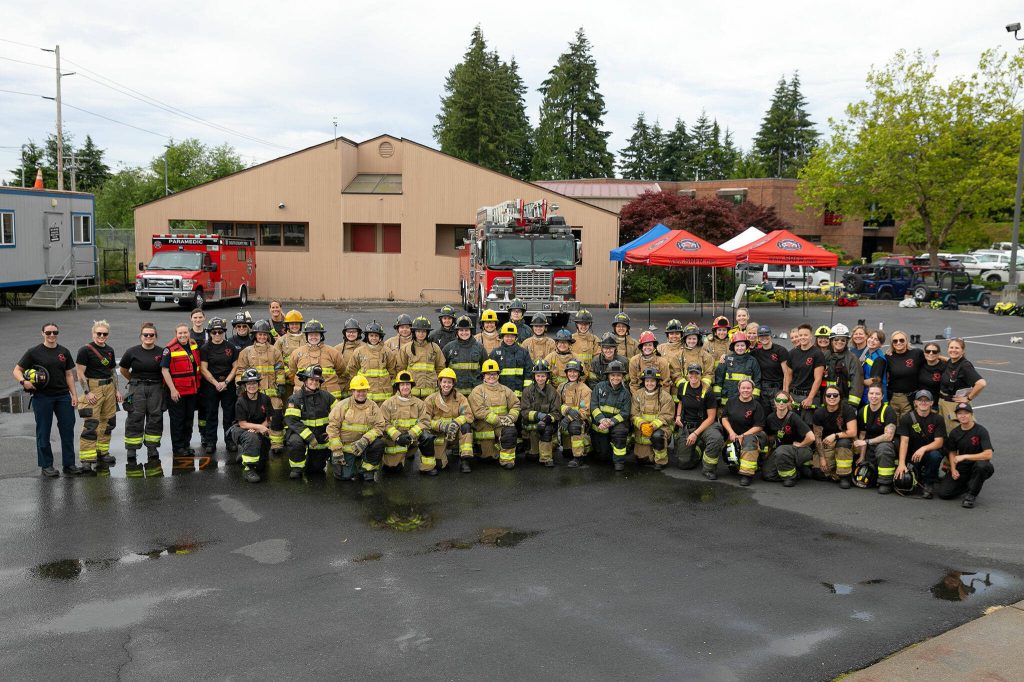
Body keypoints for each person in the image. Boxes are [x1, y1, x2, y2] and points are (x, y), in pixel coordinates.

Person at [13, 322, 82, 477]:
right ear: (42, 333)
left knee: (67, 430)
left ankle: (69, 464)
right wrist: (24, 382)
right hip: (42, 397)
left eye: (55, 332)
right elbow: (17, 370)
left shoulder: (64, 351)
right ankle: (46, 466)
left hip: (63, 396)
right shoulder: (33, 352)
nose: (52, 335)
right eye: (48, 332)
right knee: (43, 431)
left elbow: (69, 374)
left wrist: (74, 395)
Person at [75, 320, 121, 474]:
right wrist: (87, 392)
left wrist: (117, 390)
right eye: (98, 333)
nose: (101, 336)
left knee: (108, 422)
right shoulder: (85, 350)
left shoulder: (109, 350)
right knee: (91, 424)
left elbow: (112, 371)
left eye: (104, 334)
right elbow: (80, 373)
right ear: (93, 333)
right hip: (93, 388)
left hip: (109, 388)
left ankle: (102, 452)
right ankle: (87, 459)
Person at [234, 319, 286, 455]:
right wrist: (239, 385)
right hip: (253, 393)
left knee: (275, 416)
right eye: (259, 334)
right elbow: (240, 370)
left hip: (272, 392)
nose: (262, 337)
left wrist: (280, 384)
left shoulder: (275, 351)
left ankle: (276, 443)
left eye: (264, 334)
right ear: (255, 335)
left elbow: (280, 369)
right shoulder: (246, 352)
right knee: (254, 418)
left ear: (268, 335)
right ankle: (252, 442)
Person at [119, 322, 165, 473]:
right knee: (134, 417)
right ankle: (132, 450)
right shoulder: (132, 352)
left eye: (151, 335)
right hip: (137, 387)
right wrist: (133, 380)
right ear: (141, 337)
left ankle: (152, 449)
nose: (148, 337)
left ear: (155, 337)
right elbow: (124, 369)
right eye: (146, 335)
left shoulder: (162, 352)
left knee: (155, 417)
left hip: (156, 387)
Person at [326, 374, 386, 482]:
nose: (361, 394)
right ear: (352, 391)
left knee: (379, 444)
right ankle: (352, 464)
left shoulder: (373, 406)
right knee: (344, 477)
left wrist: (365, 440)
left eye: (364, 391)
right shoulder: (343, 405)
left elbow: (380, 425)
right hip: (346, 448)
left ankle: (367, 469)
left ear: (367, 391)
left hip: (364, 445)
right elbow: (332, 427)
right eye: (358, 391)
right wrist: (337, 450)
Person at [936, 402, 995, 508]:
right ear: (956, 416)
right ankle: (970, 484)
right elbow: (952, 452)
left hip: (978, 465)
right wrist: (953, 470)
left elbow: (988, 454)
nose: (963, 416)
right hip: (963, 467)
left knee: (982, 466)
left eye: (966, 413)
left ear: (971, 414)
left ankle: (971, 495)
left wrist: (965, 456)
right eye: (960, 413)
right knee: (944, 493)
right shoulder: (955, 433)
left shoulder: (981, 431)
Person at [283, 365, 336, 479]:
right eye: (311, 379)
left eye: (317, 380)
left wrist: (330, 431)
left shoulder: (327, 397)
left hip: (320, 437)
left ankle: (312, 459)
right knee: (295, 442)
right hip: (301, 435)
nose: (314, 382)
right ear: (305, 380)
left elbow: (338, 415)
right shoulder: (295, 399)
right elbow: (292, 421)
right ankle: (296, 468)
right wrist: (310, 437)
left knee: (316, 469)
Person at [468, 359, 521, 469]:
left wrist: (511, 417)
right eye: (488, 374)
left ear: (498, 375)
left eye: (494, 374)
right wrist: (499, 420)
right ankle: (490, 450)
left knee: (510, 432)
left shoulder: (506, 390)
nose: (491, 376)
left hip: (502, 427)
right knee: (488, 458)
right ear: (483, 375)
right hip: (484, 428)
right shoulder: (477, 391)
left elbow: (516, 405)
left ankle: (507, 460)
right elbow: (478, 411)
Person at [198, 317, 239, 457]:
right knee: (211, 414)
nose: (217, 335)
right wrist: (216, 383)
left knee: (229, 415)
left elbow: (235, 367)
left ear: (223, 332)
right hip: (211, 386)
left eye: (219, 332)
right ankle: (211, 442)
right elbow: (203, 369)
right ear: (209, 333)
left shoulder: (231, 347)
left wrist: (226, 382)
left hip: (228, 385)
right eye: (214, 332)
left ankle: (230, 441)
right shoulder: (205, 348)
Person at [161, 323, 202, 462]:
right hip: (177, 391)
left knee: (188, 419)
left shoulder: (193, 345)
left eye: (185, 333)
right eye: (180, 333)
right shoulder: (169, 349)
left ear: (189, 333)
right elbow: (165, 370)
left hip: (191, 389)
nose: (183, 335)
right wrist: (172, 389)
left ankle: (186, 444)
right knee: (177, 421)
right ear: (176, 334)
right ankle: (178, 448)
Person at [895, 389, 946, 499]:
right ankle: (919, 475)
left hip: (928, 453)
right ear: (915, 402)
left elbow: (939, 442)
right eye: (920, 400)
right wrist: (901, 464)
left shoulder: (938, 419)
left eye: (926, 400)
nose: (923, 402)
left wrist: (923, 449)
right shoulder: (907, 418)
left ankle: (929, 483)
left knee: (935, 456)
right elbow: (904, 442)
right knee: (907, 480)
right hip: (912, 455)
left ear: (932, 403)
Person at [421, 368, 473, 474]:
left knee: (466, 427)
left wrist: (456, 423)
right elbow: (425, 420)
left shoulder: (460, 398)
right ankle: (442, 456)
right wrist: (441, 426)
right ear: (440, 383)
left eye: (449, 382)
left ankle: (465, 460)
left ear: (453, 384)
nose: (446, 385)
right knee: (440, 465)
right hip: (440, 434)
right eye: (444, 382)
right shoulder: (431, 399)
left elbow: (468, 415)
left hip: (455, 434)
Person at [674, 363, 724, 475]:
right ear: (687, 374)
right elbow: (681, 401)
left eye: (696, 373)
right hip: (687, 425)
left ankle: (709, 469)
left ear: (700, 375)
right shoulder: (683, 387)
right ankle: (699, 447)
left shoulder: (708, 391)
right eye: (691, 373)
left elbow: (711, 418)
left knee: (716, 439)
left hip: (705, 425)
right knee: (684, 464)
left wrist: (695, 434)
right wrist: (678, 416)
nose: (693, 376)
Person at [380, 370, 431, 473]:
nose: (405, 387)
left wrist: (410, 434)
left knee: (427, 437)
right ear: (398, 386)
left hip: (412, 439)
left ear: (411, 386)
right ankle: (398, 458)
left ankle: (427, 467)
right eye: (402, 384)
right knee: (392, 469)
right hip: (395, 441)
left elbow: (425, 422)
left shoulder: (419, 403)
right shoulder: (388, 403)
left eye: (408, 384)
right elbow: (383, 423)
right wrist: (397, 436)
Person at [763, 390, 815, 487]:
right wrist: (768, 453)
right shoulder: (770, 418)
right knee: (768, 474)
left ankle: (790, 477)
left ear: (789, 402)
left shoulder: (794, 417)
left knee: (781, 450)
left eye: (784, 400)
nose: (781, 403)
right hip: (781, 452)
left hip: (801, 450)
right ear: (774, 402)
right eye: (778, 400)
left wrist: (801, 444)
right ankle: (797, 471)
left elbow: (811, 437)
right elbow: (770, 437)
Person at [230, 369, 272, 483]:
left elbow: (269, 419)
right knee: (252, 438)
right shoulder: (241, 401)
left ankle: (244, 451)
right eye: (248, 383)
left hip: (258, 429)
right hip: (241, 429)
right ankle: (249, 469)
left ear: (258, 384)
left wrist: (261, 428)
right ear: (244, 385)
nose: (251, 386)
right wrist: (258, 428)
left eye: (254, 383)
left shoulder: (265, 399)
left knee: (261, 465)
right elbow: (242, 423)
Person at [721, 379, 766, 486]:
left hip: (752, 436)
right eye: (743, 388)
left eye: (748, 388)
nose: (745, 390)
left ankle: (747, 475)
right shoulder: (731, 402)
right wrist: (731, 433)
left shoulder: (756, 405)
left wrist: (743, 436)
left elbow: (759, 426)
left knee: (749, 441)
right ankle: (736, 464)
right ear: (739, 389)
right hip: (734, 435)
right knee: (728, 453)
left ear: (752, 390)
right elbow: (724, 418)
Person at [812, 386, 858, 488]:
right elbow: (818, 438)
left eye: (835, 395)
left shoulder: (847, 409)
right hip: (827, 445)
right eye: (829, 395)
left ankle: (844, 477)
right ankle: (835, 473)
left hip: (846, 443)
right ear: (824, 397)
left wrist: (835, 435)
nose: (832, 397)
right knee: (818, 473)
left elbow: (853, 432)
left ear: (840, 397)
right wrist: (822, 458)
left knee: (843, 443)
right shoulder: (819, 413)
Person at [854, 385, 897, 494]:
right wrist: (862, 457)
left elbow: (888, 436)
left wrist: (867, 442)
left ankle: (885, 483)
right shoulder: (862, 411)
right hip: (869, 445)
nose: (874, 396)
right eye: (871, 393)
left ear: (882, 396)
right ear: (867, 395)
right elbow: (862, 435)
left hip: (886, 445)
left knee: (883, 449)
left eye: (877, 394)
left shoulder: (888, 411)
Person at [938, 338, 986, 434]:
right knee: (945, 433)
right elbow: (950, 361)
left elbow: (981, 383)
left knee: (957, 433)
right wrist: (938, 356)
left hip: (954, 406)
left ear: (963, 351)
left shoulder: (965, 366)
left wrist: (968, 398)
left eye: (957, 348)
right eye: (951, 347)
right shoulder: (951, 362)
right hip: (943, 404)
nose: (953, 350)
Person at [590, 360, 631, 471]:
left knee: (620, 432)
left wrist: (610, 422)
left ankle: (619, 461)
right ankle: (608, 448)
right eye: (613, 375)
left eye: (618, 375)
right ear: (608, 376)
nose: (615, 378)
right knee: (603, 456)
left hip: (616, 424)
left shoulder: (626, 393)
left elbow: (625, 413)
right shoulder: (599, 387)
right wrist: (602, 420)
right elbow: (593, 406)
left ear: (622, 376)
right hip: (600, 424)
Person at [631, 367, 674, 470]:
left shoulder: (665, 397)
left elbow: (667, 415)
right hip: (643, 429)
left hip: (660, 429)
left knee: (657, 436)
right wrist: (642, 424)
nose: (649, 383)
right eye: (647, 381)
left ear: (657, 382)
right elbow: (633, 414)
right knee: (642, 459)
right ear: (644, 382)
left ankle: (661, 461)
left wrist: (652, 426)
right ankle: (650, 453)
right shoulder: (637, 395)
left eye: (652, 381)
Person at [520, 360, 561, 467]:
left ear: (547, 376)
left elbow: (556, 412)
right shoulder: (527, 391)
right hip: (531, 429)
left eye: (543, 376)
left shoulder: (552, 392)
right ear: (534, 376)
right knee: (533, 457)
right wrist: (538, 415)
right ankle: (534, 450)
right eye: (538, 376)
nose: (540, 379)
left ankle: (546, 458)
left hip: (546, 427)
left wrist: (547, 419)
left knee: (546, 428)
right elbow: (524, 412)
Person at [290, 319, 345, 400]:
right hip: (304, 396)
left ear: (321, 336)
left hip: (329, 396)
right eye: (311, 335)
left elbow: (341, 370)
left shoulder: (333, 352)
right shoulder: (297, 353)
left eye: (316, 334)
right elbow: (293, 370)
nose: (313, 337)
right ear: (306, 336)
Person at [347, 321, 399, 403]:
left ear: (380, 337)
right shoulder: (359, 351)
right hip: (365, 395)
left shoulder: (387, 352)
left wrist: (390, 386)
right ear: (367, 336)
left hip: (384, 395)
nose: (374, 338)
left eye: (376, 336)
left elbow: (392, 371)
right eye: (371, 335)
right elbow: (352, 370)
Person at [399, 317, 446, 398]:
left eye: (424, 331)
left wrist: (439, 384)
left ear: (427, 332)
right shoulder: (406, 348)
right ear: (414, 332)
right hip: (412, 393)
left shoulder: (434, 348)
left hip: (430, 393)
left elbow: (440, 368)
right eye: (418, 331)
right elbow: (400, 369)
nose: (421, 334)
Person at [558, 359, 592, 468]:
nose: (572, 374)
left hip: (580, 420)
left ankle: (578, 457)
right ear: (566, 373)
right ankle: (567, 448)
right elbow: (556, 405)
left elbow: (585, 411)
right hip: (564, 418)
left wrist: (568, 418)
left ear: (579, 374)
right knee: (567, 452)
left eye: (575, 372)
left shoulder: (585, 390)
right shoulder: (561, 387)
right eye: (570, 371)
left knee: (575, 426)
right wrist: (566, 410)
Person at [788, 323, 826, 419]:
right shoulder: (792, 353)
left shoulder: (817, 354)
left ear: (811, 337)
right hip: (794, 395)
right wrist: (786, 393)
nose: (802, 337)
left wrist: (810, 398)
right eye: (800, 335)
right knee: (792, 426)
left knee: (808, 426)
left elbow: (818, 379)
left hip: (809, 395)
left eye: (805, 335)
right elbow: (788, 376)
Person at [443, 315, 487, 397]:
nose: (464, 333)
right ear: (457, 332)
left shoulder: (479, 348)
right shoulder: (449, 348)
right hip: (454, 394)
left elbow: (485, 370)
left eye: (467, 330)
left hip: (475, 394)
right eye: (461, 330)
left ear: (471, 331)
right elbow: (442, 369)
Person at [713, 332, 761, 406]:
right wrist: (717, 395)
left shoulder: (752, 361)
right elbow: (719, 378)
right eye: (737, 345)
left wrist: (755, 396)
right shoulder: (726, 359)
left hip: (746, 400)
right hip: (727, 400)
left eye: (742, 345)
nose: (740, 348)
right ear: (733, 347)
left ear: (746, 347)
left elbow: (757, 380)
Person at [885, 330, 924, 420]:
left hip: (911, 398)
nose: (898, 343)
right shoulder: (888, 357)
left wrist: (949, 360)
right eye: (895, 341)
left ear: (906, 341)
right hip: (893, 398)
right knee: (893, 425)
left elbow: (931, 359)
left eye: (901, 340)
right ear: (892, 343)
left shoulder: (917, 353)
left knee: (908, 425)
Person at [751, 325, 791, 411]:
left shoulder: (780, 350)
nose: (764, 337)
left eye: (766, 335)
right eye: (761, 335)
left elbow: (786, 373)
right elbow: (741, 355)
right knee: (764, 416)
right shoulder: (756, 353)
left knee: (778, 415)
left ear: (770, 335)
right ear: (758, 337)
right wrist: (725, 357)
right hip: (762, 390)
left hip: (777, 388)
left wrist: (785, 392)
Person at [824, 324, 863, 406]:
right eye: (836, 339)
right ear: (831, 341)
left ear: (846, 342)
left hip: (844, 401)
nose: (839, 342)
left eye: (843, 340)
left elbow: (856, 383)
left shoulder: (852, 359)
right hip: (826, 401)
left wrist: (852, 405)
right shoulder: (825, 356)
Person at [490, 322, 531, 398]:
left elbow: (528, 374)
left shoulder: (524, 353)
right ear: (502, 337)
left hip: (520, 396)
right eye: (507, 336)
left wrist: (526, 393)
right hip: (500, 396)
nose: (510, 339)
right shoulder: (495, 353)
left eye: (512, 336)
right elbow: (490, 375)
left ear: (516, 337)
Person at [676, 323, 715, 388]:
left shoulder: (706, 355)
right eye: (689, 338)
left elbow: (709, 373)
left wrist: (701, 386)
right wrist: (685, 387)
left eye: (694, 339)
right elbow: (676, 374)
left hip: (702, 390)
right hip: (685, 390)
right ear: (685, 339)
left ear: (698, 340)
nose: (691, 341)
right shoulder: (678, 355)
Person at [333, 318, 364, 399]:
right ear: (345, 333)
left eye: (354, 332)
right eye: (348, 331)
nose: (351, 334)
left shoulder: (364, 348)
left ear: (358, 333)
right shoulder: (337, 349)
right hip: (342, 387)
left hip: (359, 388)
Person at [276, 309, 305, 385]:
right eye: (292, 324)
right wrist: (289, 374)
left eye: (297, 323)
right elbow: (277, 360)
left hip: (305, 380)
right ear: (287, 325)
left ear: (300, 325)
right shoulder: (281, 340)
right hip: (287, 380)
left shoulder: (307, 339)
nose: (294, 326)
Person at [571, 310, 600, 382]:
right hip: (574, 375)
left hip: (590, 376)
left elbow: (598, 359)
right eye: (581, 324)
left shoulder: (595, 339)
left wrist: (589, 373)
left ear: (590, 324)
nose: (583, 326)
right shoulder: (571, 339)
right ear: (576, 324)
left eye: (586, 324)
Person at [860, 329, 887, 405]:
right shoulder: (868, 354)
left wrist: (856, 381)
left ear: (881, 345)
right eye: (871, 337)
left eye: (876, 339)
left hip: (874, 399)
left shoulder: (879, 359)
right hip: (866, 395)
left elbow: (873, 381)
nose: (872, 340)